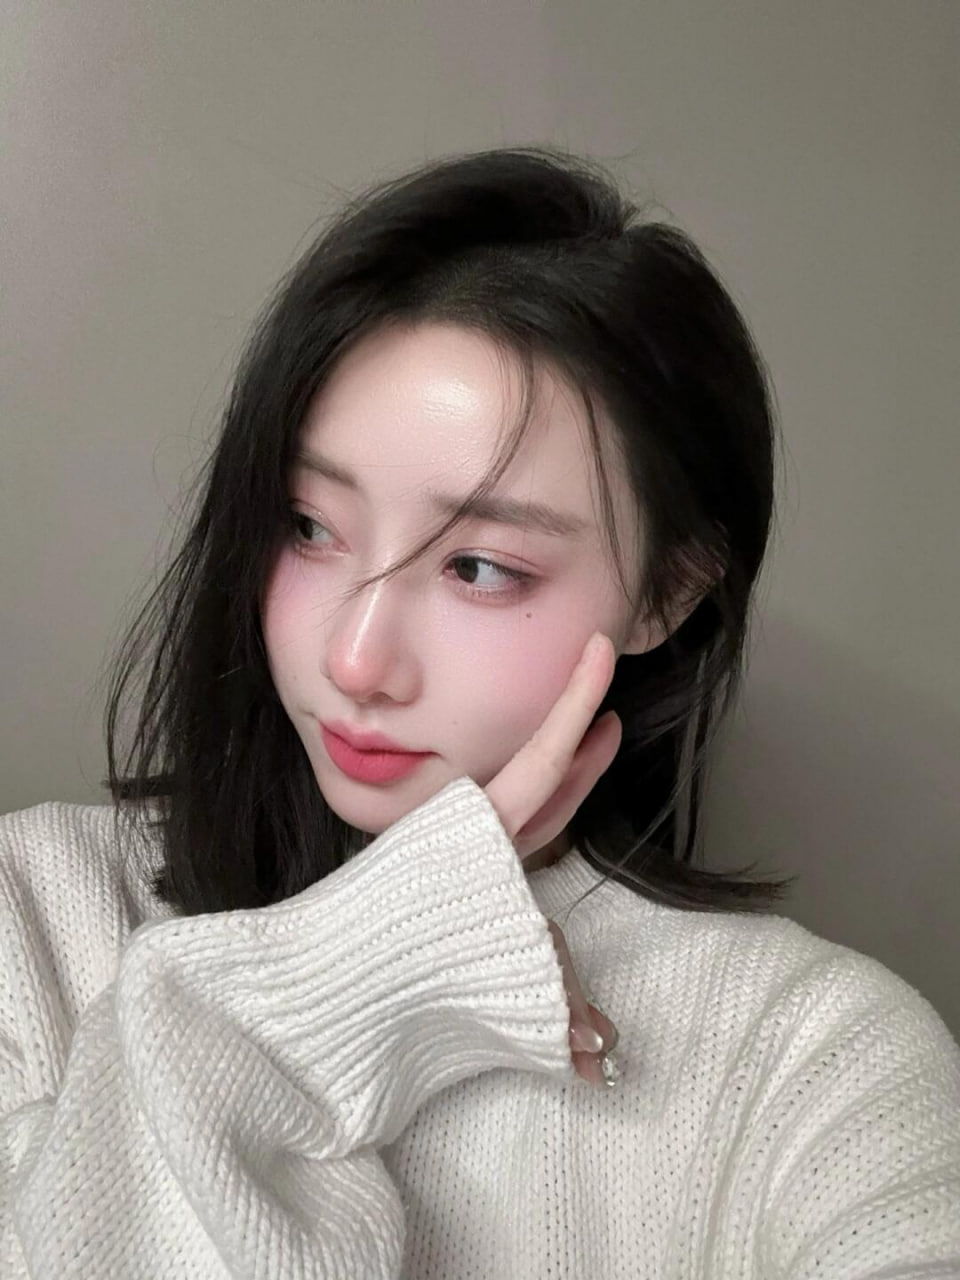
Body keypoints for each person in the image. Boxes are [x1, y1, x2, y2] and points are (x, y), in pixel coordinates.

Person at [1, 146, 958, 1278]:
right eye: (308, 525)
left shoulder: (816, 1064)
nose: (355, 658)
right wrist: (373, 964)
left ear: (668, 593)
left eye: (481, 567)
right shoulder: (40, 916)